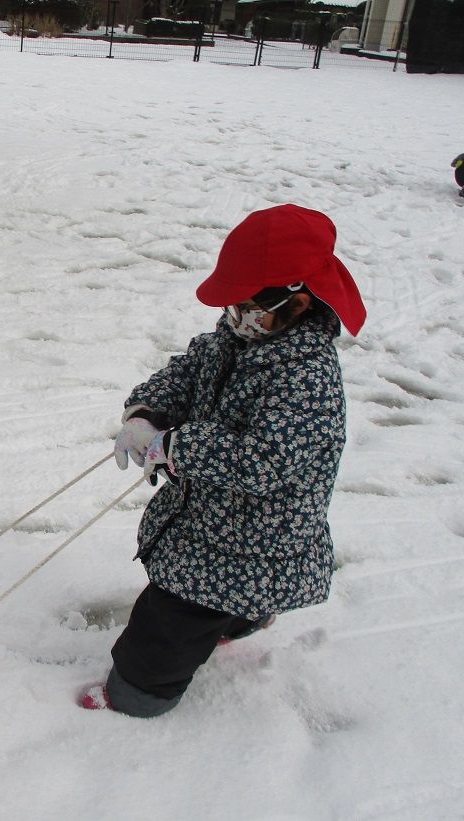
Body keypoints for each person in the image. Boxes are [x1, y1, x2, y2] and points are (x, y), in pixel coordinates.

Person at [82, 204, 366, 717]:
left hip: (255, 539)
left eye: (243, 306)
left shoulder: (308, 378)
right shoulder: (244, 331)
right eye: (229, 305)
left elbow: (265, 461)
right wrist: (148, 412)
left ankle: (138, 694)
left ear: (297, 303)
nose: (231, 316)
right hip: (213, 518)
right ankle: (243, 615)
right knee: (209, 598)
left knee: (168, 621)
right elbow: (190, 369)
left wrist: (177, 447)